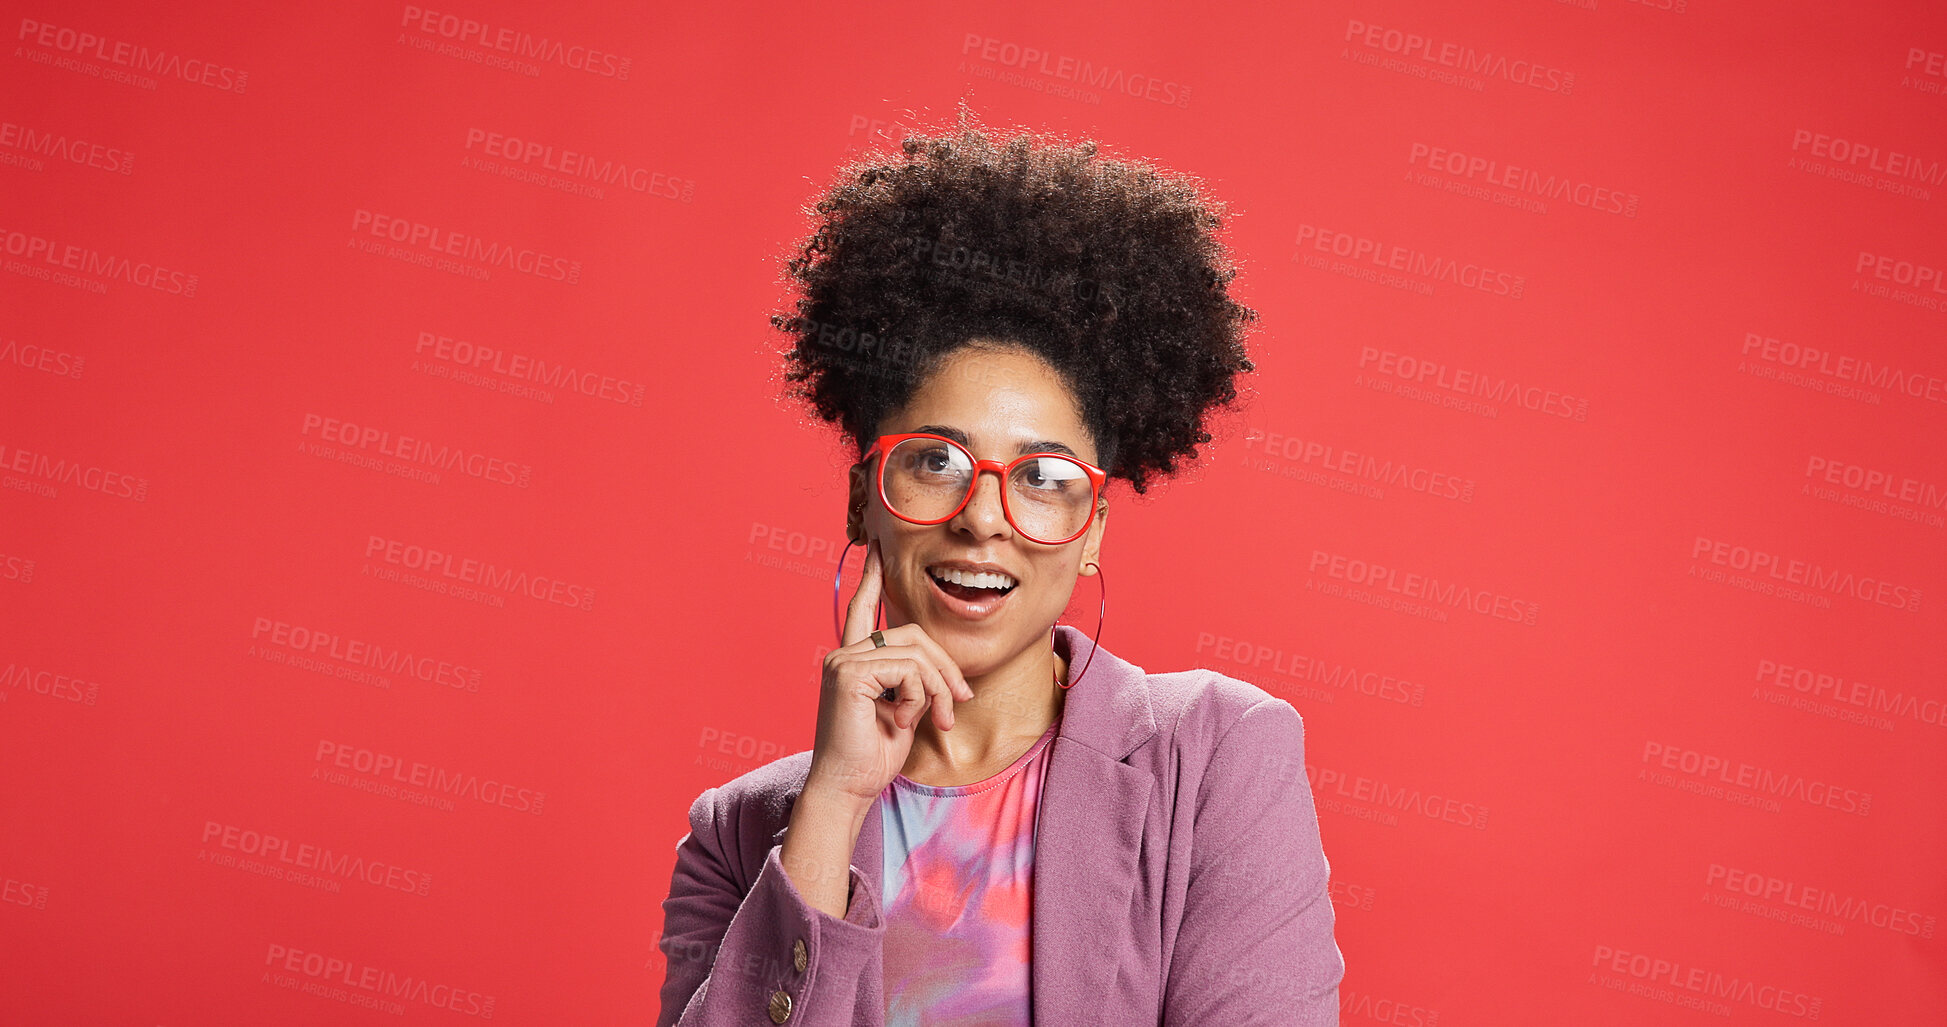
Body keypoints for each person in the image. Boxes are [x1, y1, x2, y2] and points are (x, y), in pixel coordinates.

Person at [657, 114, 1344, 1026]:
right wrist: (833, 802)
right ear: (864, 497)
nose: (983, 515)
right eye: (935, 461)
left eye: (1044, 478)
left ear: (1092, 526)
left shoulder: (1215, 754)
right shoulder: (740, 831)